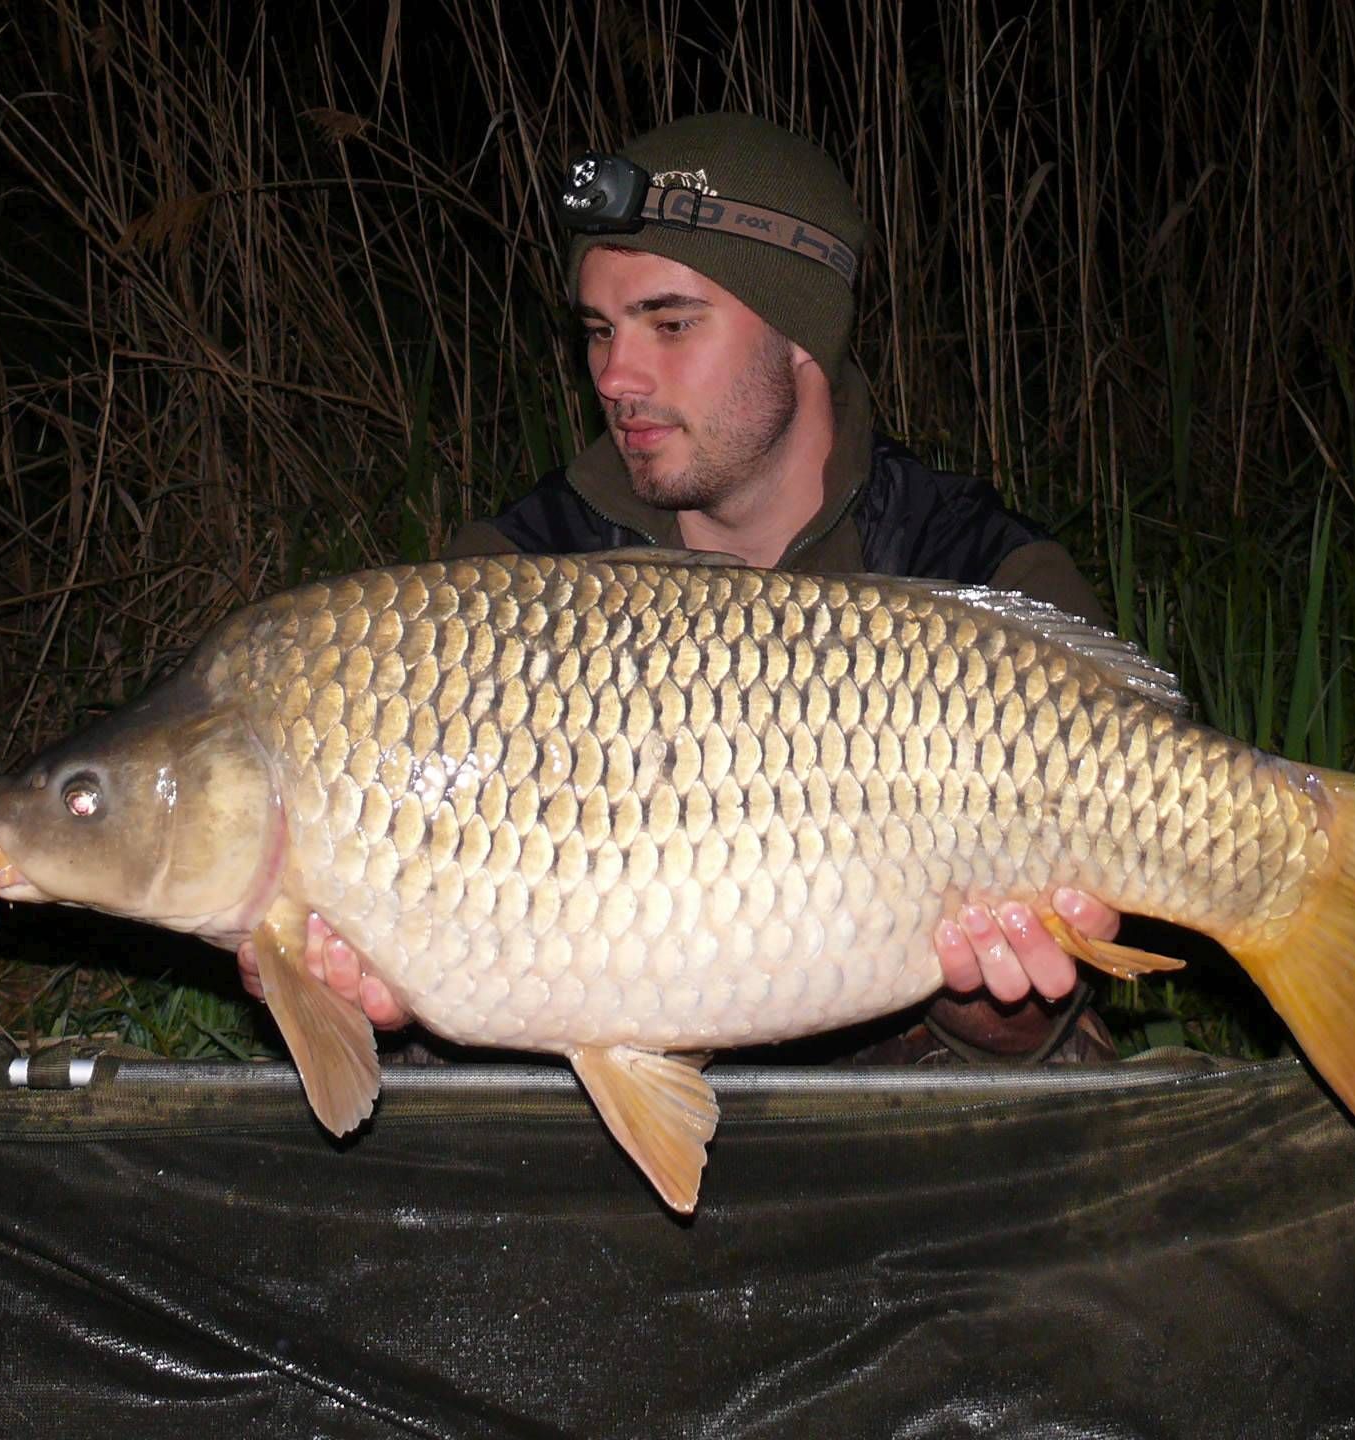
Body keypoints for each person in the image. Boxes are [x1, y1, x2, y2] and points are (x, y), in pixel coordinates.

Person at [241, 112, 1124, 1061]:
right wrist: (342, 966)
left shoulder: (982, 577)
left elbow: (1026, 1027)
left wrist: (997, 999)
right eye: (599, 331)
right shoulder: (507, 588)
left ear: (801, 335)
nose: (616, 375)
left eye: (669, 323)